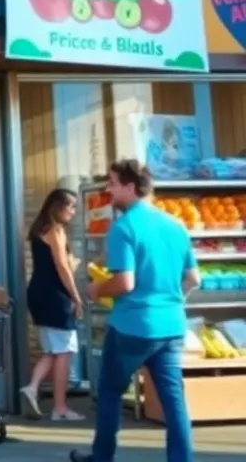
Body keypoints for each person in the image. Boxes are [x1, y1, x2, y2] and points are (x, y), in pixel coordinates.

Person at [70, 160, 199, 462]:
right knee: (173, 400)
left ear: (130, 187)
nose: (108, 189)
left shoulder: (124, 227)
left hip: (132, 326)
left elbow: (125, 283)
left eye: (113, 183)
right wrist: (171, 299)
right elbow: (193, 278)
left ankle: (101, 457)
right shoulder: (176, 225)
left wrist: (95, 289)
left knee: (111, 391)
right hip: (171, 325)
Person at [20, 187, 84, 421]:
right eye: (71, 206)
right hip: (55, 297)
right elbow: (61, 266)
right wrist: (76, 296)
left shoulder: (39, 229)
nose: (73, 212)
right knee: (65, 351)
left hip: (39, 294)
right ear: (58, 206)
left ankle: (32, 387)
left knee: (54, 350)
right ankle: (60, 407)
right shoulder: (56, 230)